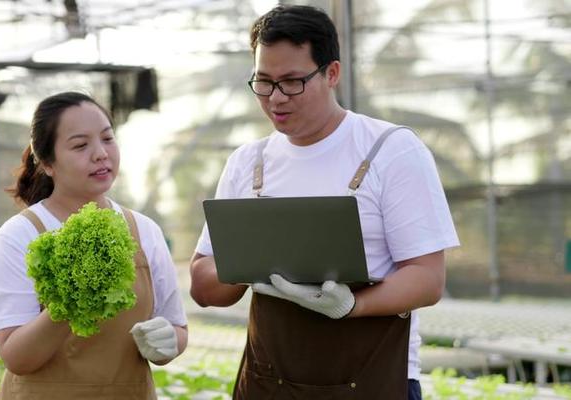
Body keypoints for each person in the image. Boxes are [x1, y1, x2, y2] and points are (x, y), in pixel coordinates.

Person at [190, 5, 459, 400]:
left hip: (372, 380)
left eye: (292, 82)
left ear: (332, 73)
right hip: (269, 382)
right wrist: (250, 262)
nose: (276, 98)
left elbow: (426, 278)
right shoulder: (249, 163)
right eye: (263, 82)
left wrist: (351, 305)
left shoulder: (390, 150)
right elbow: (204, 286)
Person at [0, 91, 187, 399]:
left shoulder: (145, 232)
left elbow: (176, 327)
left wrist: (169, 342)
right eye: (80, 145)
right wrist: (73, 300)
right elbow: (16, 357)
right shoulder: (20, 236)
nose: (100, 153)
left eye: (107, 139)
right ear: (47, 163)